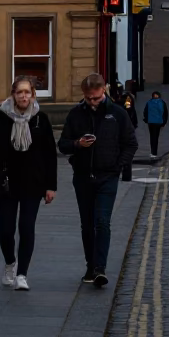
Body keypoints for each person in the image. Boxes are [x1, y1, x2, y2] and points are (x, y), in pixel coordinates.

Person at [59, 72, 138, 288]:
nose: (92, 102)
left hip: (107, 177)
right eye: (88, 98)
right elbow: (63, 144)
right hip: (83, 177)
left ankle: (100, 269)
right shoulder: (76, 114)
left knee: (102, 222)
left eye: (95, 98)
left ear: (103, 90)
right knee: (87, 225)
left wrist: (118, 166)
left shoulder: (117, 114)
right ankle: (90, 266)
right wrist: (77, 144)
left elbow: (131, 143)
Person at [0, 77, 57, 291]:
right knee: (6, 230)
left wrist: (51, 186)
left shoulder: (40, 119)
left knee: (26, 227)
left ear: (33, 95)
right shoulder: (0, 118)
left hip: (33, 183)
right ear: (13, 94)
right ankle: (10, 263)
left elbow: (50, 154)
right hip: (7, 183)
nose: (23, 96)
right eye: (19, 92)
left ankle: (22, 274)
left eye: (27, 92)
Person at [143, 91, 168, 158]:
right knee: (156, 137)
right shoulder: (162, 102)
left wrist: (146, 120)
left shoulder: (149, 102)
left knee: (152, 137)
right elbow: (165, 113)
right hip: (159, 122)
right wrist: (164, 123)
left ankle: (153, 152)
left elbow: (145, 112)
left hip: (151, 122)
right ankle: (154, 152)